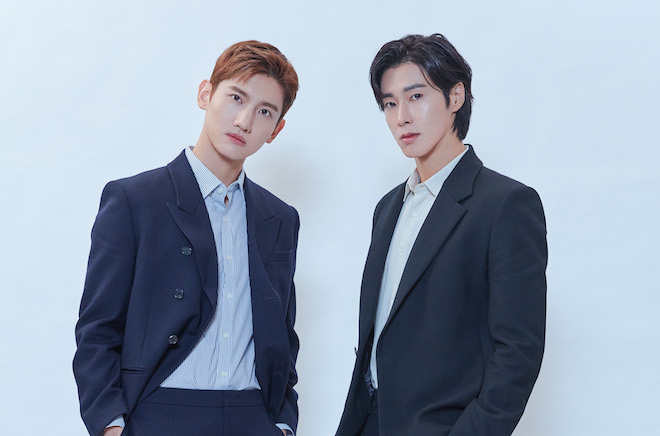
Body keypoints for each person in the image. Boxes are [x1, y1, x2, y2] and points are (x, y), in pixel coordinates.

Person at [74, 40, 300, 436]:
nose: (244, 121)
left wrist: (282, 423)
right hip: (159, 415)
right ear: (205, 94)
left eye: (264, 111)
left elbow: (282, 333)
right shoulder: (135, 200)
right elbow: (98, 330)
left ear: (276, 130)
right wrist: (111, 427)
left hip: (252, 417)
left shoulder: (279, 218)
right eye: (236, 97)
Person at [336, 33, 548, 436]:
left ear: (455, 97)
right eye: (390, 103)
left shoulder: (505, 204)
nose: (402, 117)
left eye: (416, 96)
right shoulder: (388, 207)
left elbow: (518, 353)